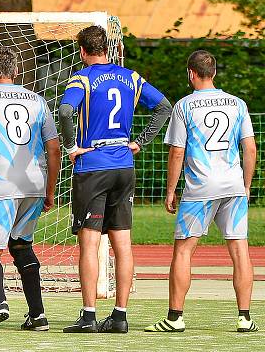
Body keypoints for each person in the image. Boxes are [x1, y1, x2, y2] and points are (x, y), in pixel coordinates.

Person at [58, 25, 172, 333]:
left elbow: (66, 110)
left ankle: (88, 315)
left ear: (82, 51)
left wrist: (71, 147)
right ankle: (120, 315)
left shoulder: (82, 77)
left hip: (92, 166)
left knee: (90, 242)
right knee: (123, 242)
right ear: (108, 49)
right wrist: (140, 142)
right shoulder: (131, 77)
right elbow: (164, 107)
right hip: (123, 164)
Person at [145, 50, 258, 333]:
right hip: (233, 185)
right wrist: (245, 184)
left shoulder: (184, 106)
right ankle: (245, 318)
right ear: (214, 72)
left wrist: (171, 190)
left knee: (183, 251)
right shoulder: (237, 104)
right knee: (239, 249)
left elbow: (177, 152)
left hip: (200, 189)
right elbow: (250, 148)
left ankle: (175, 317)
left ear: (190, 73)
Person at [0, 46, 61, 332]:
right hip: (34, 183)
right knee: (21, 245)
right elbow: (53, 149)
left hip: (0, 182)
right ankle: (38, 315)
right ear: (17, 72)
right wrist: (50, 190)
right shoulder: (37, 100)